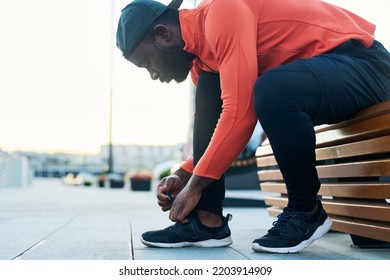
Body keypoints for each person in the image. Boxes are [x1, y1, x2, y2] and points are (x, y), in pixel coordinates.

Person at [116, 0, 390, 253]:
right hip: (320, 80)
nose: (153, 74)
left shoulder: (222, 10)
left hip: (365, 64)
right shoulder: (201, 61)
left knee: (272, 88)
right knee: (211, 87)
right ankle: (206, 221)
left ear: (162, 34)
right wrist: (185, 173)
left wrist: (195, 185)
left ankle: (306, 212)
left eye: (147, 63)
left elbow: (241, 114)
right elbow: (225, 129)